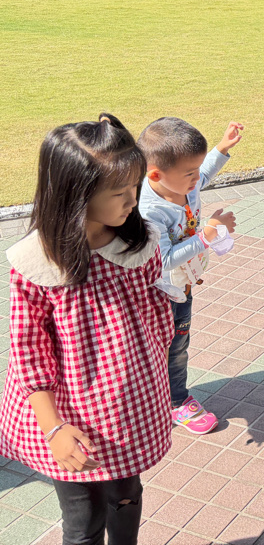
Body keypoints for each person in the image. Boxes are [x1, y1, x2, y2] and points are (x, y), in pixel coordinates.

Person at [0, 115, 174, 545]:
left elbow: (155, 315)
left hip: (129, 404)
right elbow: (29, 352)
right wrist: (54, 428)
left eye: (135, 187)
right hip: (70, 414)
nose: (132, 200)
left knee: (126, 495)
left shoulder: (139, 242)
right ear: (74, 194)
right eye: (119, 192)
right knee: (82, 517)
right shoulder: (38, 263)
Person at [138, 117, 244, 435]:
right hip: (160, 294)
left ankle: (163, 398)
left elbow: (204, 173)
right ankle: (175, 402)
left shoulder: (182, 183)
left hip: (182, 287)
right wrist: (206, 236)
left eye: (196, 170)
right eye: (190, 173)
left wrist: (222, 148)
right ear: (156, 175)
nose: (197, 179)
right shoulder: (151, 211)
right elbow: (165, 259)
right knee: (170, 350)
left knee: (176, 345)